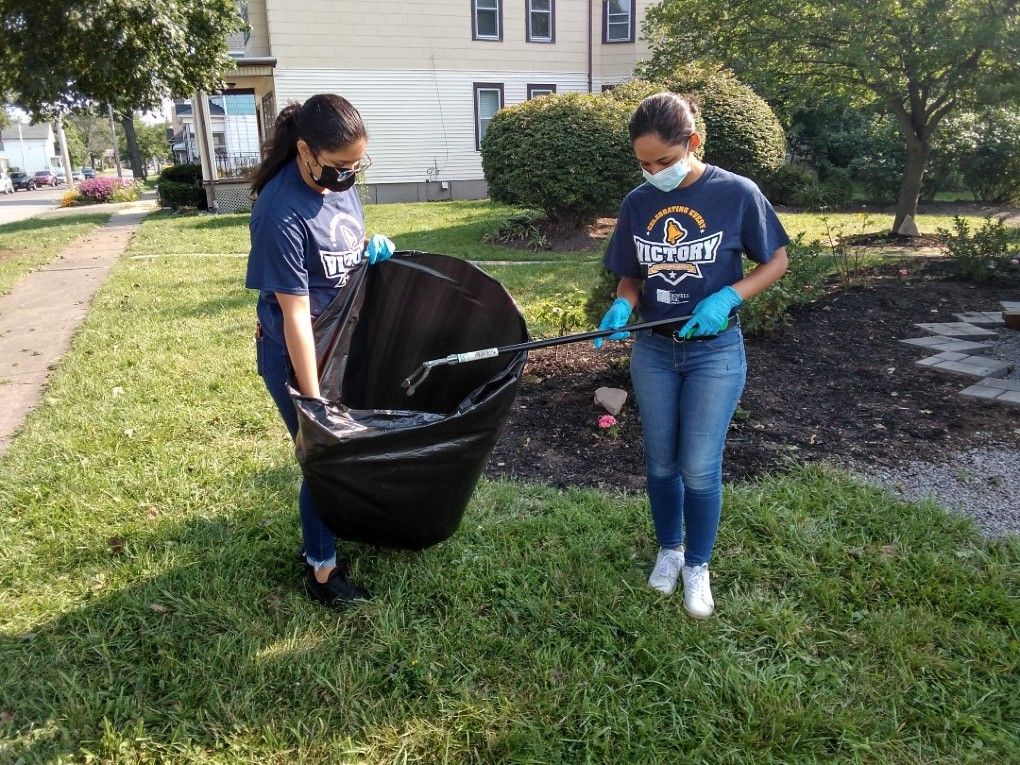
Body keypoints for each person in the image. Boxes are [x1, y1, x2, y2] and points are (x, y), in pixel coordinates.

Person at [595, 92, 789, 618]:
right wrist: (620, 305)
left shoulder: (736, 193)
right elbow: (632, 275)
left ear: (693, 143)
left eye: (663, 160)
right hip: (654, 351)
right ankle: (669, 550)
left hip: (715, 352)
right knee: (660, 462)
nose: (654, 171)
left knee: (700, 466)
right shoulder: (638, 202)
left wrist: (730, 296)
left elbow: (776, 261)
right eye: (644, 163)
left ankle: (698, 565)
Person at [245, 94, 395, 608]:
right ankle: (321, 569)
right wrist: (315, 405)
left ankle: (342, 527)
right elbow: (294, 316)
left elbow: (339, 249)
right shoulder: (280, 209)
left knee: (348, 451)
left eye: (357, 166)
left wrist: (368, 250)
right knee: (324, 457)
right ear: (305, 151)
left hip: (340, 341)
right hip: (298, 353)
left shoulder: (340, 185)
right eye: (338, 167)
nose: (348, 177)